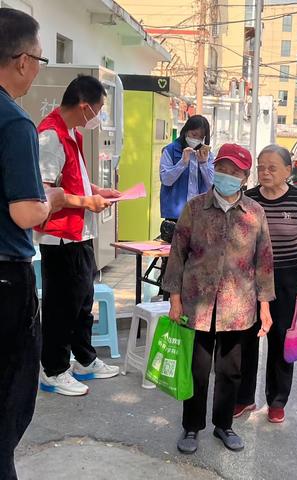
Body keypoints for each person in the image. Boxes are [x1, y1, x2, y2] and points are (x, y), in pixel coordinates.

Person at [163, 143, 275, 454]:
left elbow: (264, 262)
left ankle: (223, 425)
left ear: (244, 176)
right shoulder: (195, 208)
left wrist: (265, 308)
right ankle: (191, 427)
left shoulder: (254, 213)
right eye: (223, 168)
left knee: (230, 371)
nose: (227, 175)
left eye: (235, 171)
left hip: (238, 308)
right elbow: (177, 254)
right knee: (197, 370)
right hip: (196, 303)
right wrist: (174, 299)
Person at [0, 8, 65, 479]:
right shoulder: (14, 122)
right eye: (41, 59)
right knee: (8, 403)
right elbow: (25, 211)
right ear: (22, 60)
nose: (39, 68)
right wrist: (54, 199)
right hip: (5, 281)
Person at [36, 75, 121, 397]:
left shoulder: (71, 132)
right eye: (99, 109)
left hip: (79, 233)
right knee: (61, 307)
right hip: (60, 238)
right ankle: (53, 369)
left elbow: (72, 180)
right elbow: (44, 192)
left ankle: (84, 359)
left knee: (83, 301)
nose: (99, 117)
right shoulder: (50, 136)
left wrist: (97, 191)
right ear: (85, 107)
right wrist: (87, 201)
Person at [235, 144, 297, 423]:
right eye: (261, 167)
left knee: (281, 342)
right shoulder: (246, 198)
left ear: (288, 170)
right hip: (249, 280)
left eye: (272, 167)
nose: (265, 172)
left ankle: (277, 401)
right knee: (245, 341)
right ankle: (244, 398)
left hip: (286, 280)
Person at [160, 115, 214, 221]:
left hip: (200, 213)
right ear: (186, 131)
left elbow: (212, 185)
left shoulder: (208, 155)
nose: (196, 139)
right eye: (194, 134)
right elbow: (166, 180)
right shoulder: (170, 150)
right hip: (176, 214)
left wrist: (203, 164)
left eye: (201, 137)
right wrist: (182, 163)